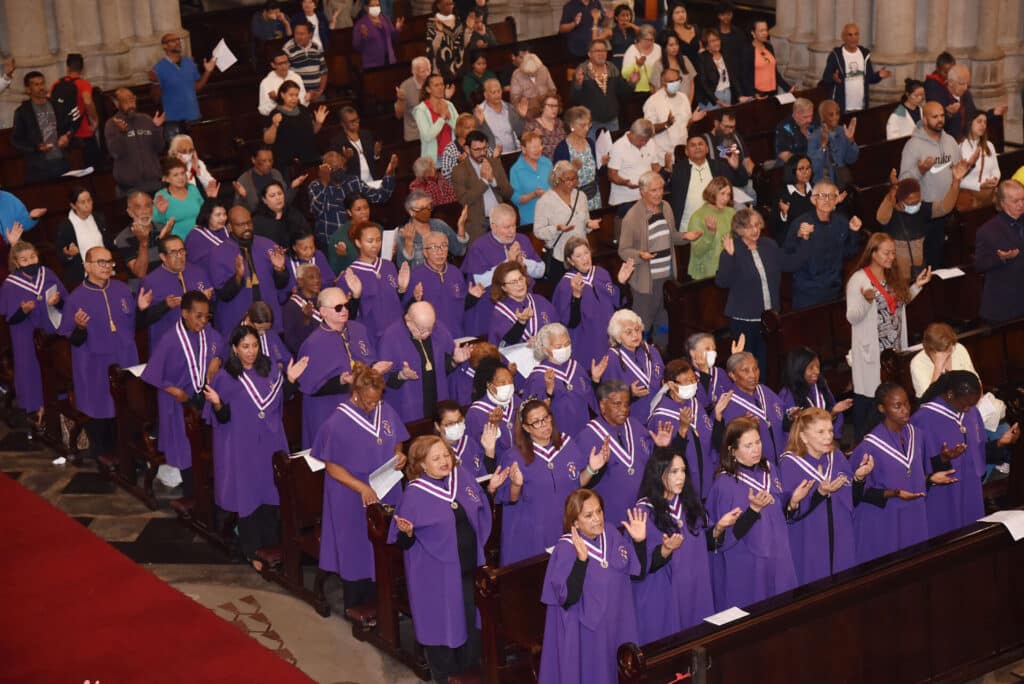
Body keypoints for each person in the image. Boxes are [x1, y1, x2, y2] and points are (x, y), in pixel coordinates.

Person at [389, 435, 492, 683]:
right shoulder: (414, 494)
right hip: (435, 577)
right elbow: (402, 542)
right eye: (436, 458)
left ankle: (468, 672)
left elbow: (478, 508)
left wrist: (492, 490)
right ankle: (444, 676)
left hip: (468, 568)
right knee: (443, 625)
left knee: (469, 620)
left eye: (446, 455)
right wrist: (409, 533)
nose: (445, 461)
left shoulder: (461, 477)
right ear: (422, 464)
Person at [204, 324, 306, 569]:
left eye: (254, 346)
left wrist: (290, 380)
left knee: (270, 492)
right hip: (242, 444)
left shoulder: (269, 368)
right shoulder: (226, 376)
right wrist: (218, 403)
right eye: (245, 347)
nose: (251, 351)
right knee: (248, 495)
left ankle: (271, 545)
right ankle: (252, 550)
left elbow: (281, 398)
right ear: (235, 349)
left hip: (270, 441)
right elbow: (222, 418)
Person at [315, 362, 408, 610]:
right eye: (368, 401)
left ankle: (386, 600)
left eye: (377, 400)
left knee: (383, 545)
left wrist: (400, 456)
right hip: (350, 494)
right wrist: (362, 488)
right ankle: (357, 605)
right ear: (355, 393)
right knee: (356, 548)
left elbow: (398, 440)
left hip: (385, 487)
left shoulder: (384, 409)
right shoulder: (336, 423)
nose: (373, 405)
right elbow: (332, 467)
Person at [537, 489, 647, 684]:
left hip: (619, 623)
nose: (597, 519)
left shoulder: (611, 533)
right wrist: (581, 561)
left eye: (599, 511)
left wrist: (639, 542)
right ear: (575, 523)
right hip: (587, 635)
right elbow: (567, 598)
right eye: (588, 515)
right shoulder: (565, 548)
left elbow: (636, 572)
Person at [633, 447, 739, 641]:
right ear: (658, 473)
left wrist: (719, 527)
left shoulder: (690, 503)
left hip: (696, 587)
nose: (680, 477)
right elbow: (642, 566)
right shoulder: (644, 511)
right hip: (666, 594)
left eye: (683, 471)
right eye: (673, 472)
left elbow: (703, 542)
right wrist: (665, 550)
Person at [58, 247, 142, 462]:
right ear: (86, 266)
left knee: (127, 408)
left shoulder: (122, 290)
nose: (107, 266)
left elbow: (134, 324)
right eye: (101, 262)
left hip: (124, 358)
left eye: (110, 262)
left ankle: (130, 454)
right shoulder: (76, 297)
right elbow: (71, 339)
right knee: (101, 407)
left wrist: (142, 309)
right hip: (94, 363)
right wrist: (79, 327)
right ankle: (104, 454)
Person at [846, 233, 932, 439]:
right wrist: (866, 301)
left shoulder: (892, 276)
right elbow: (852, 317)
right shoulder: (859, 279)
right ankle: (861, 444)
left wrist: (917, 286)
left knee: (889, 397)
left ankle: (890, 439)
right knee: (869, 401)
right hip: (873, 350)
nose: (891, 257)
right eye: (886, 252)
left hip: (893, 348)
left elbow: (899, 303)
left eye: (893, 252)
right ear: (873, 253)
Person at [706, 416, 797, 610]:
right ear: (732, 450)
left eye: (758, 442)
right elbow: (723, 538)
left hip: (778, 554)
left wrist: (793, 501)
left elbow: (778, 508)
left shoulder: (769, 470)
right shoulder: (724, 484)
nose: (756, 449)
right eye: (748, 445)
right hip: (746, 563)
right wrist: (753, 511)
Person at [140, 291, 224, 497]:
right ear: (185, 313)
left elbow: (221, 347)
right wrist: (174, 390)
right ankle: (192, 495)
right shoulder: (169, 339)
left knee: (207, 447)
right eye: (199, 316)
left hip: (202, 399)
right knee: (186, 452)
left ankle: (208, 492)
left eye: (207, 316)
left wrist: (217, 359)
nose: (203, 321)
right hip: (178, 403)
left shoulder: (209, 333)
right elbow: (151, 374)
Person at [782, 408, 872, 586]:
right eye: (821, 432)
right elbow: (788, 513)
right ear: (803, 436)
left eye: (830, 431)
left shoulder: (836, 457)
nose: (828, 437)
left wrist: (859, 479)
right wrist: (819, 494)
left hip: (841, 537)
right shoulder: (789, 464)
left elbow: (852, 500)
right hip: (809, 542)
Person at [495, 400, 592, 564]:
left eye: (546, 418)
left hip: (563, 525)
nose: (545, 425)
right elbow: (509, 498)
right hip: (532, 533)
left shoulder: (566, 444)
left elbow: (577, 483)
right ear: (526, 428)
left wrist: (591, 469)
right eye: (536, 422)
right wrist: (516, 485)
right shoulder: (514, 456)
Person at [850, 383, 932, 563]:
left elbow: (920, 473)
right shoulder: (869, 446)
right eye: (897, 406)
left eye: (907, 403)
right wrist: (894, 493)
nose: (905, 410)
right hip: (885, 520)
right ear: (881, 408)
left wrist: (934, 474)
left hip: (914, 514)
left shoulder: (917, 435)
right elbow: (857, 494)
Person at [295, 283, 386, 447]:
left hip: (363, 404)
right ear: (323, 312)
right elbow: (310, 387)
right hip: (331, 409)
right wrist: (340, 381)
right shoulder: (313, 344)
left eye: (346, 305)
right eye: (338, 307)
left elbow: (369, 358)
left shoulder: (358, 329)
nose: (344, 310)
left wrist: (375, 368)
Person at [716, 208, 809, 367]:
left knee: (768, 364)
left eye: (757, 225)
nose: (755, 230)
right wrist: (729, 256)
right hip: (744, 320)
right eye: (749, 227)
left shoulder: (769, 245)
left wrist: (804, 240)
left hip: (770, 319)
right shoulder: (733, 249)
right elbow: (722, 282)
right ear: (739, 229)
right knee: (746, 366)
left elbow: (791, 263)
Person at [576, 379, 673, 524]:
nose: (624, 409)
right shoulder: (586, 437)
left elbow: (653, 466)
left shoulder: (635, 425)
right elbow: (579, 483)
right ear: (602, 405)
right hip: (612, 519)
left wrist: (661, 447)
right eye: (617, 404)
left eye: (627, 404)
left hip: (644, 512)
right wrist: (593, 469)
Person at [618, 172, 692, 342]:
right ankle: (639, 358)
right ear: (642, 192)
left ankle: (660, 355)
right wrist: (640, 255)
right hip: (646, 281)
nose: (659, 193)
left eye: (661, 189)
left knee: (664, 321)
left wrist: (685, 237)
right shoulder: (632, 217)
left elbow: (671, 235)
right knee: (642, 324)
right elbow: (623, 250)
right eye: (654, 190)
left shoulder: (666, 207)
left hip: (667, 277)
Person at [912, 371, 986, 538]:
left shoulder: (972, 412)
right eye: (965, 404)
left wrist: (1000, 444)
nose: (968, 408)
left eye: (972, 404)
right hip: (942, 494)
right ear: (951, 394)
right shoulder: (922, 419)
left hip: (970, 488)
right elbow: (915, 466)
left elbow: (979, 449)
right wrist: (943, 459)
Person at [1, 241, 67, 424]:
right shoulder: (10, 284)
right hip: (25, 335)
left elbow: (65, 302)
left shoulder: (48, 274)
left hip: (50, 329)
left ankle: (59, 405)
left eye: (32, 257)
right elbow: (9, 318)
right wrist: (23, 311)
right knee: (32, 369)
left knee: (55, 366)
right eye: (24, 260)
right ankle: (35, 411)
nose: (30, 262)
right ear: (16, 262)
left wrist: (58, 302)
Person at [378, 301, 469, 422]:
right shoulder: (390, 337)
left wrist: (454, 361)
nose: (427, 334)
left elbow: (443, 369)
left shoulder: (439, 329)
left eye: (430, 329)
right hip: (408, 408)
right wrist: (401, 376)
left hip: (437, 402)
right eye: (422, 330)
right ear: (408, 320)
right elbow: (382, 378)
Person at [209, 206, 292, 337]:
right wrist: (238, 277)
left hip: (268, 323)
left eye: (249, 223)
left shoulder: (268, 245)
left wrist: (280, 269)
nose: (247, 228)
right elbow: (222, 294)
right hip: (237, 324)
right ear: (230, 227)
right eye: (241, 224)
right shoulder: (218, 253)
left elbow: (282, 285)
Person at [898, 101, 962, 268]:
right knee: (933, 263)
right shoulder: (913, 146)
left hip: (951, 209)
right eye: (935, 117)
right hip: (928, 213)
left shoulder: (950, 141)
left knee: (952, 260)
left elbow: (957, 169)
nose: (940, 120)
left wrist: (964, 170)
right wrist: (920, 170)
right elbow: (903, 181)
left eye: (942, 116)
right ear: (925, 120)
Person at [552, 237, 631, 370]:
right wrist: (576, 297)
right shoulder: (566, 284)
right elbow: (569, 322)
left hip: (609, 339)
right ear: (570, 260)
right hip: (586, 343)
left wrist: (621, 283)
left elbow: (618, 303)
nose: (584, 258)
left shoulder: (601, 273)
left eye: (586, 253)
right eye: (578, 256)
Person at [645, 359, 718, 500]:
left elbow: (709, 441)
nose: (692, 384)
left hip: (707, 483)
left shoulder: (695, 404)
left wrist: (718, 418)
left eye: (693, 379)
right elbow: (663, 460)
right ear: (671, 385)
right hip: (681, 490)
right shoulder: (660, 416)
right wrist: (682, 431)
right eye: (686, 381)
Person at [784, 180, 863, 309]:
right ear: (813, 200)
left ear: (837, 200)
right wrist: (798, 236)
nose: (827, 200)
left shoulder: (841, 222)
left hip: (834, 290)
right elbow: (787, 256)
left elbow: (849, 252)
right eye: (821, 196)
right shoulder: (801, 223)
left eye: (831, 196)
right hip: (807, 292)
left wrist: (854, 232)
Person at [876, 165, 963, 280]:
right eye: (910, 203)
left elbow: (945, 207)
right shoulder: (891, 213)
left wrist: (956, 182)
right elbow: (881, 218)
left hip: (918, 271)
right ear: (901, 200)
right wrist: (893, 190)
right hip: (895, 273)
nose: (915, 205)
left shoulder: (923, 209)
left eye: (917, 201)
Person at [138, 234, 214, 346]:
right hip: (168, 343)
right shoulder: (150, 281)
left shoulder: (199, 272)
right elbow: (143, 320)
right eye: (173, 253)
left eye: (182, 251)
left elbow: (212, 308)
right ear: (163, 257)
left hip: (199, 340)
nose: (179, 256)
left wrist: (205, 301)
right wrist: (165, 305)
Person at [406, 231, 485, 338]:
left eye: (444, 246)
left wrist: (472, 297)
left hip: (457, 334)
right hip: (431, 337)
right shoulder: (415, 275)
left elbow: (461, 306)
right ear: (425, 252)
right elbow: (406, 311)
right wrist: (415, 299)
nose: (440, 251)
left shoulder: (455, 272)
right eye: (434, 247)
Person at [524, 323, 599, 435]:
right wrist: (549, 391)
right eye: (558, 346)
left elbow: (591, 400)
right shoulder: (538, 377)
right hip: (556, 436)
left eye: (567, 344)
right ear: (545, 350)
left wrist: (595, 381)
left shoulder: (576, 367)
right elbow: (533, 413)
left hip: (583, 430)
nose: (564, 349)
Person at [670, 134, 747, 235]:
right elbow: (665, 186)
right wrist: (666, 171)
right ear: (686, 152)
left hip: (718, 226)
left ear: (707, 149)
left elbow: (742, 181)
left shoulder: (717, 166)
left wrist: (736, 168)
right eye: (693, 145)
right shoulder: (678, 169)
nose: (697, 147)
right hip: (688, 229)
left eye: (700, 144)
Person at [345, 221, 409, 342]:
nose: (375, 245)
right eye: (370, 241)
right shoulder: (351, 274)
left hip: (398, 331)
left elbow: (397, 302)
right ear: (358, 243)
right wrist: (355, 297)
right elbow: (348, 316)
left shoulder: (388, 266)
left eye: (378, 240)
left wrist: (401, 289)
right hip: (372, 336)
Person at [533, 161, 600, 276]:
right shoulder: (544, 202)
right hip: (560, 258)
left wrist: (589, 225)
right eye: (568, 179)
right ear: (557, 180)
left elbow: (584, 222)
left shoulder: (581, 196)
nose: (572, 183)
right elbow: (538, 231)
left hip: (582, 257)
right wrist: (557, 228)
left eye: (575, 179)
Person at [597, 308, 665, 421]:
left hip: (658, 413)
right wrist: (630, 393)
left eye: (637, 329)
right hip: (632, 418)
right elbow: (609, 397)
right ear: (618, 337)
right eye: (628, 332)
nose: (635, 334)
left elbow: (663, 377)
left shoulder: (652, 351)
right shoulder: (611, 359)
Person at [719, 351, 785, 463]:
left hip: (780, 462)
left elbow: (782, 416)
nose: (753, 375)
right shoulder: (727, 403)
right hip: (753, 469)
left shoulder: (765, 391)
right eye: (746, 371)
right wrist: (740, 427)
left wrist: (790, 416)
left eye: (755, 369)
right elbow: (723, 444)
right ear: (732, 375)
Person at [974, 180, 1024, 324]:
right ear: (1002, 203)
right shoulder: (988, 230)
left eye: (1023, 199)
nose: (1021, 204)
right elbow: (979, 265)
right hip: (1005, 306)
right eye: (1016, 201)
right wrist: (1001, 258)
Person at [149, 33, 216, 139]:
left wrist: (208, 72)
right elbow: (155, 98)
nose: (177, 42)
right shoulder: (159, 68)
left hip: (193, 117)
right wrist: (155, 83)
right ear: (164, 46)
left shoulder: (189, 63)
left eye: (178, 40)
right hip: (173, 120)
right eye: (172, 40)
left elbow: (197, 87)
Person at [11, 71, 74, 182]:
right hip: (38, 167)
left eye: (42, 83)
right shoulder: (23, 112)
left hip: (61, 160)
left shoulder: (57, 106)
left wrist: (67, 137)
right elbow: (16, 140)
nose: (41, 87)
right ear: (28, 89)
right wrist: (36, 147)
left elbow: (68, 127)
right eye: (36, 84)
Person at [452, 131, 514, 240]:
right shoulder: (459, 170)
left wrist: (493, 180)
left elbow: (508, 193)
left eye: (485, 148)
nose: (482, 152)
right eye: (477, 149)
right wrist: (484, 181)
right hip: (477, 225)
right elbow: (464, 199)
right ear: (467, 149)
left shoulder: (494, 163)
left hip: (500, 221)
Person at [779, 347, 849, 441]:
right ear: (799, 369)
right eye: (811, 368)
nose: (817, 372)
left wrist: (834, 412)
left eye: (818, 367)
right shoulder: (788, 395)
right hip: (804, 448)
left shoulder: (820, 385)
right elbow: (791, 431)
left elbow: (830, 415)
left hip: (825, 440)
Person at [818, 23, 891, 114]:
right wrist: (834, 78)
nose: (854, 38)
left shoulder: (864, 54)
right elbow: (825, 78)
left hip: (861, 106)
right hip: (841, 108)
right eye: (850, 35)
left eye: (856, 34)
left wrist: (879, 75)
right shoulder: (836, 56)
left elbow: (869, 78)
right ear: (843, 37)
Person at [570, 40, 637, 136]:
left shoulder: (612, 68)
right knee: (593, 149)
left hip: (612, 120)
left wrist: (631, 83)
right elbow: (574, 98)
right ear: (589, 54)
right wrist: (578, 84)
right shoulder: (582, 70)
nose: (601, 54)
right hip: (590, 123)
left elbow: (621, 91)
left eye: (604, 51)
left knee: (612, 150)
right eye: (597, 51)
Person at [105, 88, 165, 195]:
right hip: (130, 187)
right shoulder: (112, 124)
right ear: (117, 103)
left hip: (153, 182)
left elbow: (160, 147)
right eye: (125, 101)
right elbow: (116, 153)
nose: (130, 104)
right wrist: (122, 133)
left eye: (132, 99)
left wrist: (156, 128)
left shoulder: (146, 119)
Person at [931, 64, 1009, 141]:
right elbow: (934, 126)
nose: (965, 88)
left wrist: (993, 113)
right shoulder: (939, 97)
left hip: (966, 141)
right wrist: (948, 113)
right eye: (962, 84)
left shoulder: (966, 95)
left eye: (967, 84)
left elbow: (973, 115)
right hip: (948, 144)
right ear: (950, 82)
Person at [55, 187, 115, 288]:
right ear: (73, 205)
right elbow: (60, 254)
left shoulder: (99, 218)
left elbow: (107, 242)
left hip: (105, 270)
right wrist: (68, 254)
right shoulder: (65, 226)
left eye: (89, 200)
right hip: (81, 277)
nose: (87, 205)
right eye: (83, 202)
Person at [487, 260, 557, 347]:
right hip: (515, 358)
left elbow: (557, 328)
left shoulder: (540, 301)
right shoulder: (500, 313)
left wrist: (544, 340)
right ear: (503, 287)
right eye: (513, 282)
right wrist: (521, 323)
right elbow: (504, 343)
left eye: (520, 278)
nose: (519, 284)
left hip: (546, 355)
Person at [263, 81, 326, 174]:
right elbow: (268, 140)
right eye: (291, 95)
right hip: (287, 164)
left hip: (309, 160)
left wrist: (318, 123)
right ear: (282, 95)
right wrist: (274, 126)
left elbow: (311, 132)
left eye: (296, 95)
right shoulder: (275, 113)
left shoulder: (303, 110)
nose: (294, 98)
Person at [643, 68, 705, 162]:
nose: (675, 83)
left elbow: (685, 126)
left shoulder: (684, 97)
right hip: (663, 154)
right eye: (671, 81)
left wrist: (692, 120)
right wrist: (667, 124)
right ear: (663, 82)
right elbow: (648, 130)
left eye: (677, 80)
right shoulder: (653, 102)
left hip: (683, 151)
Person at [396, 191, 468, 269]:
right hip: (420, 278)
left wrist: (461, 226)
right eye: (422, 208)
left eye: (429, 207)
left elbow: (459, 250)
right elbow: (402, 267)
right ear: (411, 212)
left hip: (443, 274)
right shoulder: (403, 233)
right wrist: (409, 243)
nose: (427, 211)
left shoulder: (439, 225)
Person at [466, 357, 521, 454]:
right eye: (502, 382)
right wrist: (493, 428)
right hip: (495, 464)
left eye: (511, 381)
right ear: (490, 385)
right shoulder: (476, 413)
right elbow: (476, 448)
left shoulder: (517, 401)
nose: (508, 386)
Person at [910, 323, 979, 399]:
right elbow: (929, 402)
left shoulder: (958, 348)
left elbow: (976, 384)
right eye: (945, 352)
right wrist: (938, 367)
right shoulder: (917, 363)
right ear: (931, 351)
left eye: (950, 349)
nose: (950, 353)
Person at [608, 119, 664, 213]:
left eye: (646, 140)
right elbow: (611, 175)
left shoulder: (650, 142)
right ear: (632, 133)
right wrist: (625, 182)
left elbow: (655, 166)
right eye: (641, 140)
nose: (644, 144)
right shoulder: (618, 147)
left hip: (647, 198)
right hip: (625, 200)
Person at [553, 106, 602, 211]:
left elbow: (596, 172)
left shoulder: (590, 143)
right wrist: (572, 169)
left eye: (588, 124)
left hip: (594, 196)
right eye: (582, 125)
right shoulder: (562, 149)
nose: (587, 128)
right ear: (571, 126)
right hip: (574, 200)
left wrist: (603, 163)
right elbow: (558, 181)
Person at [434, 400, 498, 479]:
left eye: (459, 420)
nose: (456, 426)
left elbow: (488, 475)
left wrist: (489, 451)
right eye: (450, 424)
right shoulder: (435, 452)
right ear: (437, 426)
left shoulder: (470, 442)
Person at [686, 176, 734, 280]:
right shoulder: (697, 217)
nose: (726, 198)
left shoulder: (731, 212)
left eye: (728, 194)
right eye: (722, 193)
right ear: (712, 193)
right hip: (706, 276)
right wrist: (710, 233)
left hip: (729, 269)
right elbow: (697, 252)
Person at [234, 146, 304, 214]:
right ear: (253, 160)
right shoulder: (244, 179)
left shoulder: (276, 174)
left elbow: (285, 201)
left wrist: (293, 187)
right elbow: (237, 210)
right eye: (264, 161)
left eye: (271, 160)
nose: (268, 164)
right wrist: (242, 197)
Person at [154, 158, 210, 240]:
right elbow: (156, 223)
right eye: (175, 175)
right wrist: (161, 212)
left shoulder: (192, 189)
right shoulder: (161, 195)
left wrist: (211, 198)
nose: (181, 178)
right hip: (178, 244)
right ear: (166, 178)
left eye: (183, 173)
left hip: (201, 237)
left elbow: (205, 213)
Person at [807, 100, 859, 186]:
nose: (836, 117)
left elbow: (851, 159)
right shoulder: (814, 137)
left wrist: (850, 140)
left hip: (842, 182)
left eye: (838, 113)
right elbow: (814, 168)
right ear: (822, 117)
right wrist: (823, 146)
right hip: (823, 184)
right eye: (831, 115)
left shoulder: (843, 131)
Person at [739, 20, 793, 99]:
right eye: (761, 31)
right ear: (753, 33)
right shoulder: (747, 50)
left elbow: (774, 72)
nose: (765, 33)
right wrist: (753, 94)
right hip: (758, 95)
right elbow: (744, 77)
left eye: (766, 30)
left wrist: (788, 88)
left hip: (773, 93)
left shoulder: (769, 47)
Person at [415, 73, 461, 163]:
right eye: (436, 85)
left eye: (442, 84)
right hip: (433, 160)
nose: (440, 87)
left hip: (452, 155)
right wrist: (442, 118)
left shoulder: (449, 105)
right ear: (428, 89)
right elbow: (427, 136)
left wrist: (449, 119)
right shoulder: (421, 110)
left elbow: (459, 129)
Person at [510, 131, 553, 226]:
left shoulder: (547, 163)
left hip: (551, 217)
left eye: (539, 146)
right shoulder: (516, 170)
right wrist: (533, 195)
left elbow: (555, 186)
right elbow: (515, 199)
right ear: (523, 149)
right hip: (530, 220)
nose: (538, 150)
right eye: (534, 147)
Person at [475, 78, 527, 153]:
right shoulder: (479, 111)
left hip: (514, 153)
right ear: (485, 95)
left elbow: (520, 132)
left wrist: (522, 117)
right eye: (493, 92)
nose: (497, 95)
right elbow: (477, 140)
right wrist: (480, 124)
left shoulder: (510, 108)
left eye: (499, 91)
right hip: (493, 158)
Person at [252, 181, 311, 247]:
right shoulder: (258, 220)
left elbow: (306, 236)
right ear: (264, 200)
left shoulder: (294, 214)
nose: (278, 198)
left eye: (280, 193)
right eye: (272, 195)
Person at [958, 112, 1001, 203]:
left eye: (985, 122)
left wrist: (994, 179)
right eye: (979, 121)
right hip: (969, 196)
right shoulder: (960, 147)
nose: (983, 125)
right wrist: (980, 185)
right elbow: (957, 180)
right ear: (970, 124)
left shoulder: (989, 145)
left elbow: (996, 169)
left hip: (989, 193)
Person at [770, 155, 813, 242]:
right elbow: (774, 227)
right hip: (793, 238)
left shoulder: (815, 189)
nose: (806, 172)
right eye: (801, 169)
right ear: (792, 171)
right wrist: (783, 214)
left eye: (808, 168)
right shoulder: (782, 194)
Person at [282, 263, 323, 354]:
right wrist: (306, 321)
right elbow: (292, 343)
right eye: (311, 277)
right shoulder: (291, 307)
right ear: (300, 282)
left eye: (319, 277)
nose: (317, 280)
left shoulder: (325, 299)